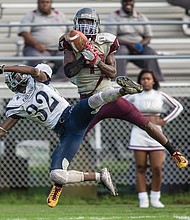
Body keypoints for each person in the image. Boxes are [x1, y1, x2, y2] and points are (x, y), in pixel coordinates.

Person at [58, 7, 187, 169]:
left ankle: (174, 152)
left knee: (144, 123)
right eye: (82, 21)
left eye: (88, 21)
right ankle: (59, 180)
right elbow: (69, 71)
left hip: (109, 96)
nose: (84, 25)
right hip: (89, 101)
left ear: (96, 24)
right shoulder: (70, 43)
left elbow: (112, 73)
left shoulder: (106, 41)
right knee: (73, 139)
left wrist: (97, 61)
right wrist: (83, 58)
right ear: (76, 23)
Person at [0, 63, 143, 207]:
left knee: (92, 102)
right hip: (66, 134)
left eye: (15, 73)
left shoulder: (36, 79)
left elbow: (33, 70)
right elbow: (3, 129)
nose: (16, 76)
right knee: (57, 175)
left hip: (71, 115)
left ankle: (123, 90)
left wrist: (5, 67)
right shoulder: (15, 103)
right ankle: (100, 176)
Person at [124, 69, 184, 208]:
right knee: (140, 167)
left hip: (157, 134)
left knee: (157, 168)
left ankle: (155, 198)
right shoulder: (134, 96)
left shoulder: (159, 95)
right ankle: (143, 199)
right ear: (140, 81)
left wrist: (164, 120)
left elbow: (178, 106)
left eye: (148, 79)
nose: (146, 81)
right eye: (143, 79)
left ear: (153, 81)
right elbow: (121, 104)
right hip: (139, 134)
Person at [104, 0, 164, 81]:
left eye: (130, 1)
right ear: (121, 2)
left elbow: (148, 36)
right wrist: (130, 45)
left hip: (139, 46)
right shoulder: (114, 16)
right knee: (121, 52)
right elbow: (111, 37)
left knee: (150, 53)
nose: (128, 3)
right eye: (125, 1)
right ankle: (119, 82)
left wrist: (141, 45)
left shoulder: (141, 17)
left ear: (134, 2)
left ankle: (155, 82)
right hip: (121, 45)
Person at [17, 0, 69, 82]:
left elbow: (70, 32)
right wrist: (36, 44)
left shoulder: (59, 15)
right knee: (37, 59)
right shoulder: (31, 15)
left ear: (51, 3)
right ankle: (40, 81)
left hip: (59, 49)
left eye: (47, 2)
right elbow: (24, 32)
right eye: (42, 2)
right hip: (37, 48)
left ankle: (58, 81)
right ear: (38, 3)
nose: (45, 4)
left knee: (69, 58)